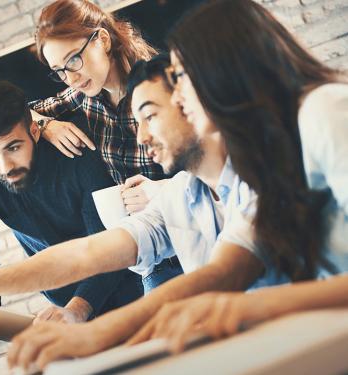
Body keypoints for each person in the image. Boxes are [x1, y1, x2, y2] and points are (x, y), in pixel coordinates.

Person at [0, 55, 286, 370]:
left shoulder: (265, 180)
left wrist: (97, 327)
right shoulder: (178, 197)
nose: (141, 136)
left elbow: (219, 277)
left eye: (148, 116)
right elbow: (90, 252)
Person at [125, 0, 348, 352]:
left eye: (180, 77)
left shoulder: (323, 110)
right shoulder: (271, 155)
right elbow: (224, 265)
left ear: (222, 66)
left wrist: (251, 307)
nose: (179, 98)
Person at [0, 80, 143, 374]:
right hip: (61, 306)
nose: (4, 166)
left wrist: (78, 308)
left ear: (35, 130)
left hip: (129, 286)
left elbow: (109, 242)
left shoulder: (76, 142)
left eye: (13, 147)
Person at [30, 0, 183, 290]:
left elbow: (221, 165)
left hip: (194, 235)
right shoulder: (84, 95)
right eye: (59, 70)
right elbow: (19, 112)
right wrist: (45, 125)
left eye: (73, 60)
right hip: (151, 259)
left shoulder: (160, 81)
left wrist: (164, 190)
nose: (70, 78)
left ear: (101, 39)